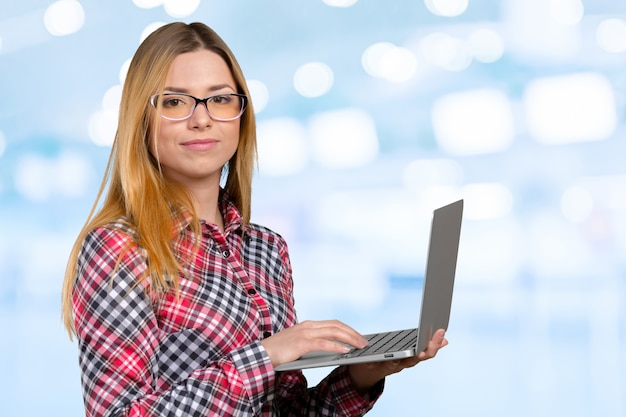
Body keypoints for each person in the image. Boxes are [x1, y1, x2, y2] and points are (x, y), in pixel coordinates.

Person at [61, 21, 448, 416]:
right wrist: (265, 356)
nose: (201, 119)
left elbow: (285, 411)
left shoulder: (266, 248)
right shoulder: (120, 247)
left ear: (241, 115)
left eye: (221, 99)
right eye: (174, 102)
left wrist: (359, 376)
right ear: (141, 118)